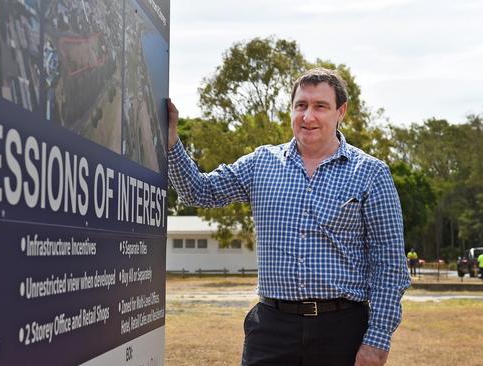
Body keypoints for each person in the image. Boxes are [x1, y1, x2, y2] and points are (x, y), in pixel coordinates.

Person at [167, 68, 411, 366]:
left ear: (341, 111)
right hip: (271, 330)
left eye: (320, 106)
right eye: (301, 106)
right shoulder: (261, 164)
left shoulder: (370, 173)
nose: (308, 116)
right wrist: (171, 144)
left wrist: (377, 340)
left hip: (343, 330)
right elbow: (199, 192)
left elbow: (390, 263)